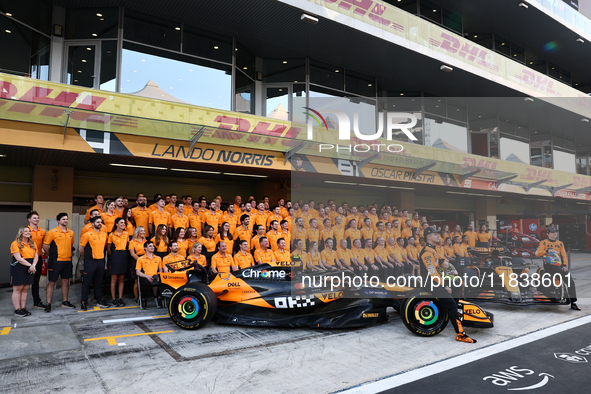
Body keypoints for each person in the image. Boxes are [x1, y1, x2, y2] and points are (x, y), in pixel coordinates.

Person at [419, 226, 477, 343]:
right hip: (430, 282)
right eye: (435, 234)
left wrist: (443, 261)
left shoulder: (432, 250)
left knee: (458, 283)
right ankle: (460, 334)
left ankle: (453, 314)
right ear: (428, 237)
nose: (438, 236)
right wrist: (444, 286)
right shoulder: (426, 253)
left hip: (435, 280)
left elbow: (440, 259)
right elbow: (433, 273)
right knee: (450, 303)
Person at [535, 226, 580, 310]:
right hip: (548, 266)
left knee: (570, 281)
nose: (555, 233)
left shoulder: (560, 243)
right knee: (560, 273)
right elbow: (537, 254)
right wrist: (547, 251)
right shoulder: (543, 242)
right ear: (548, 234)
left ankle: (573, 302)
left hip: (559, 266)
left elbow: (563, 256)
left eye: (555, 232)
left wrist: (564, 266)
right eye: (552, 232)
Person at [43, 212, 76, 312]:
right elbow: (45, 246)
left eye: (66, 219)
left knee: (66, 282)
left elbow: (70, 246)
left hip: (67, 261)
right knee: (52, 282)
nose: (65, 221)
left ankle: (65, 301)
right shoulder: (52, 232)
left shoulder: (71, 232)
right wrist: (51, 256)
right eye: (63, 219)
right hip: (55, 261)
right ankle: (48, 303)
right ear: (58, 221)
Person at [79, 216, 110, 310]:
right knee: (87, 283)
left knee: (98, 282)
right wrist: (87, 258)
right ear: (92, 224)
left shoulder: (104, 234)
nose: (100, 223)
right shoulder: (87, 234)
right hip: (90, 261)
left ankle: (99, 300)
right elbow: (81, 249)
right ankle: (84, 302)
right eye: (97, 222)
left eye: (101, 222)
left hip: (100, 261)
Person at [10, 226, 38, 316]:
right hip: (19, 267)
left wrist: (33, 265)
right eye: (26, 231)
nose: (28, 232)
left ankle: (23, 308)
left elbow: (36, 256)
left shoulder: (33, 243)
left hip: (30, 266)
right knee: (18, 289)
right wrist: (31, 266)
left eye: (29, 231)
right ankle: (17, 309)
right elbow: (18, 258)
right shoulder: (15, 243)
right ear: (21, 233)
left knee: (25, 289)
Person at [107, 218, 129, 307]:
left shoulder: (126, 234)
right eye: (121, 222)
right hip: (115, 256)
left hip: (124, 255)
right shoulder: (112, 234)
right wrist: (111, 257)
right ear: (116, 224)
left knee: (121, 279)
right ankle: (113, 298)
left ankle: (120, 298)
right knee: (114, 279)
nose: (123, 224)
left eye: (124, 222)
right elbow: (108, 247)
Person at [135, 240, 164, 309]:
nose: (152, 247)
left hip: (155, 276)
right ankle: (143, 298)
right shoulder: (140, 258)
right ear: (145, 248)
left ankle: (158, 297)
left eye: (153, 246)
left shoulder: (158, 258)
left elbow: (160, 270)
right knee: (145, 283)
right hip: (146, 276)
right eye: (150, 246)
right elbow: (138, 272)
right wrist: (147, 276)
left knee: (161, 282)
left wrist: (158, 276)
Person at [27, 211, 46, 309]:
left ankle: (37, 301)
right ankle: (21, 305)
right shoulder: (26, 231)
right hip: (26, 259)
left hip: (37, 258)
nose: (36, 219)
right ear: (29, 219)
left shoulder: (42, 231)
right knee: (24, 282)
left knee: (35, 282)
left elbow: (44, 245)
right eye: (34, 218)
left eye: (38, 218)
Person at [129, 226, 146, 303]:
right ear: (137, 232)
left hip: (145, 261)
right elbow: (132, 254)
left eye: (144, 231)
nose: (143, 232)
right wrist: (140, 260)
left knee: (144, 280)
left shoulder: (146, 241)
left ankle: (143, 297)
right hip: (136, 260)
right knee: (137, 281)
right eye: (141, 231)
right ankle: (137, 298)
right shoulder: (132, 242)